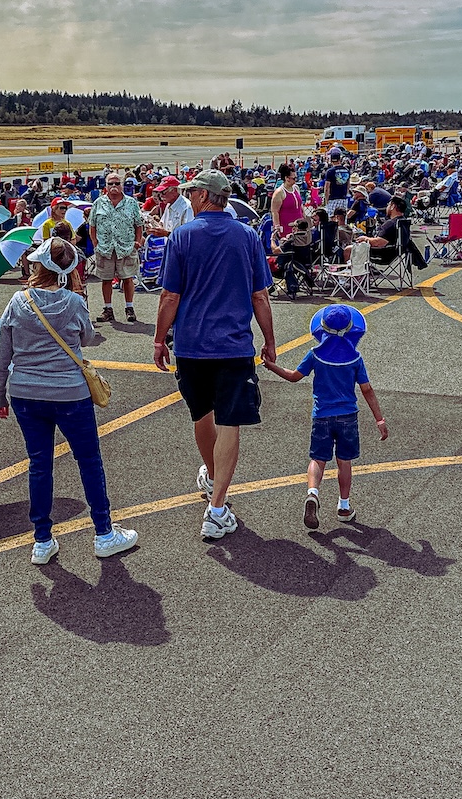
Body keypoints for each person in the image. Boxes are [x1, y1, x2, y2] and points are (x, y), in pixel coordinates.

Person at [0, 237, 138, 564]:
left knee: (39, 464)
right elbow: (88, 337)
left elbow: (1, 359)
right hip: (70, 393)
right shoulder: (73, 302)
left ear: (38, 263)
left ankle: (42, 539)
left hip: (26, 393)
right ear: (70, 268)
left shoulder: (17, 301)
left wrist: (0, 395)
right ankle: (103, 532)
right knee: (88, 460)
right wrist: (75, 290)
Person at [154, 169, 276, 542]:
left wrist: (159, 339)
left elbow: (170, 295)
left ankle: (212, 480)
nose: (189, 197)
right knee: (230, 421)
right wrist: (270, 340)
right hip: (234, 344)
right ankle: (217, 505)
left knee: (201, 413)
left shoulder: (183, 236)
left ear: (205, 196)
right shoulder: (247, 235)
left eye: (192, 192)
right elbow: (260, 295)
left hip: (192, 345)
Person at [261, 304, 387, 530]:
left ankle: (312, 493)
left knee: (318, 459)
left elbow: (293, 377)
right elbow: (367, 390)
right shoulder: (355, 358)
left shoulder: (315, 355)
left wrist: (271, 366)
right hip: (348, 416)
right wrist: (379, 419)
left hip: (322, 416)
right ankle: (344, 506)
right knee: (344, 461)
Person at [87, 176, 142, 324]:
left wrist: (137, 242)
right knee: (106, 279)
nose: (114, 186)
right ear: (106, 186)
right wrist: (95, 244)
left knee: (127, 278)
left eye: (117, 183)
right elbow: (92, 225)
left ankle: (129, 308)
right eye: (110, 183)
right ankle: (108, 309)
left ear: (122, 185)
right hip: (105, 247)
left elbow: (138, 224)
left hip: (126, 246)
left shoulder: (131, 203)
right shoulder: (98, 203)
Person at [269, 162, 304, 243]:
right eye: (294, 178)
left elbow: (300, 206)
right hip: (286, 226)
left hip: (299, 225)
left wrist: (304, 218)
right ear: (287, 178)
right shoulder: (279, 192)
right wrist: (277, 227)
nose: (296, 180)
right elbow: (275, 211)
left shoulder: (296, 188)